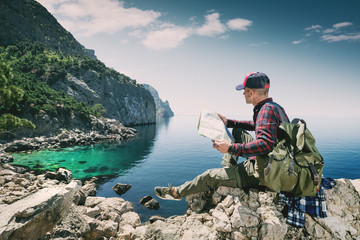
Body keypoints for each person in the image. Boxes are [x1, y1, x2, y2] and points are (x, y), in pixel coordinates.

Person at [154, 72, 289, 200]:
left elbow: (265, 145)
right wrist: (229, 122)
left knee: (209, 176)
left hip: (264, 170)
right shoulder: (274, 107)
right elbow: (257, 125)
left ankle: (177, 193)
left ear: (251, 92)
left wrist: (230, 148)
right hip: (278, 160)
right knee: (237, 130)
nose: (243, 93)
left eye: (244, 90)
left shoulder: (265, 110)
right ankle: (228, 168)